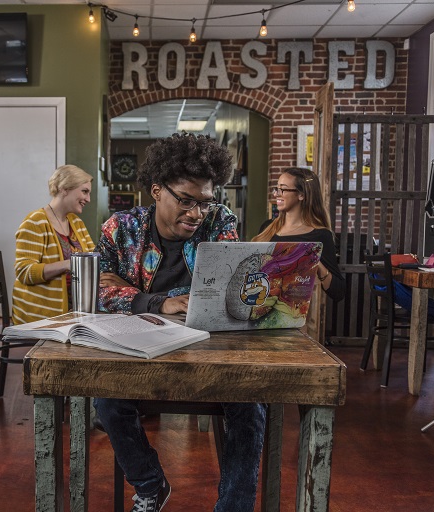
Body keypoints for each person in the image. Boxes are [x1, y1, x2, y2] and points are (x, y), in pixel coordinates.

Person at [95, 133, 265, 512]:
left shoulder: (221, 221)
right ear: (156, 191)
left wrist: (134, 295)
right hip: (139, 352)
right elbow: (100, 293)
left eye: (204, 203)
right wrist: (163, 301)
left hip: (209, 350)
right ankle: (150, 484)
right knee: (104, 397)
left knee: (250, 402)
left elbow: (224, 291)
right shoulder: (119, 229)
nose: (196, 214)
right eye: (185, 201)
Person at [12, 165, 95, 325]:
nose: (88, 199)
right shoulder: (35, 222)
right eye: (84, 191)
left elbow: (93, 257)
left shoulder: (76, 223)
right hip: (42, 314)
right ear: (64, 188)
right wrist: (66, 264)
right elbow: (24, 272)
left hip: (75, 307)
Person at [252, 166, 345, 301]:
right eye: (276, 189)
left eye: (282, 189)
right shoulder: (267, 228)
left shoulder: (320, 235)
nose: (276, 194)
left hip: (294, 314)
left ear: (301, 195)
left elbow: (339, 292)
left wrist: (316, 263)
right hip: (259, 305)